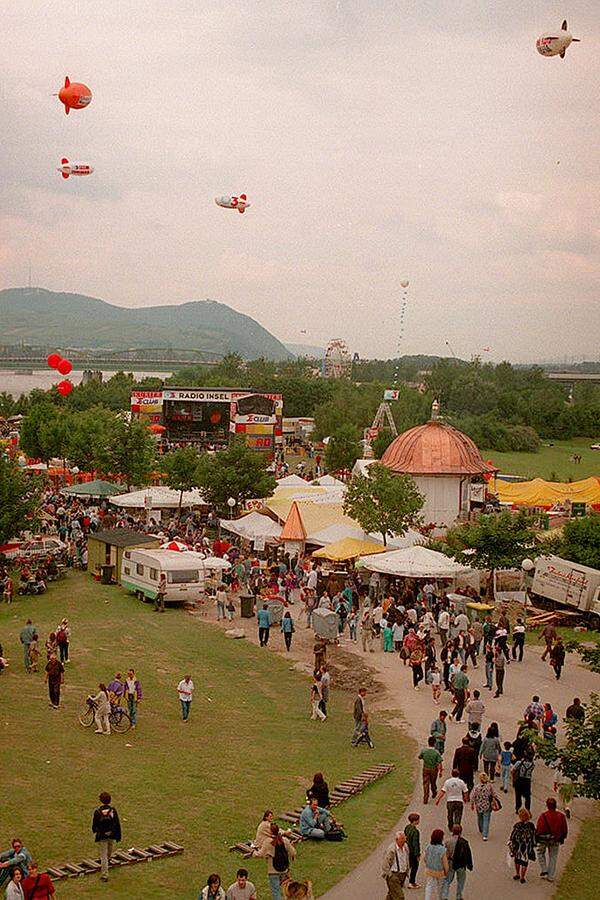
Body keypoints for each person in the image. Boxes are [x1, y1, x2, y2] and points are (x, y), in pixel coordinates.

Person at [253, 822, 296, 900]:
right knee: (286, 891)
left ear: (270, 831)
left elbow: (260, 854)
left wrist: (253, 853)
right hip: (284, 869)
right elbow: (293, 852)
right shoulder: (285, 840)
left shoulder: (268, 842)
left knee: (276, 891)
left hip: (273, 870)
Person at [535, 797, 568, 883]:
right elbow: (564, 829)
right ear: (555, 805)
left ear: (547, 806)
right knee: (553, 856)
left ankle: (544, 870)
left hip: (543, 839)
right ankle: (551, 876)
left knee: (540, 853)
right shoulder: (561, 816)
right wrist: (563, 837)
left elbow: (539, 828)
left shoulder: (543, 816)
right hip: (555, 839)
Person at [92, 791, 122, 882]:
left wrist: (97, 831)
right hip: (111, 833)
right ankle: (108, 860)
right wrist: (117, 834)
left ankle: (105, 875)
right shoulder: (113, 810)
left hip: (102, 835)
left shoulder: (97, 812)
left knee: (103, 855)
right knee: (109, 848)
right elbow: (116, 823)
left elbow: (95, 825)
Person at [441, 824, 472, 900]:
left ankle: (445, 896)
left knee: (447, 880)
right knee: (461, 880)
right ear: (460, 832)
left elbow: (445, 853)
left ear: (452, 832)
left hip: (450, 863)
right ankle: (459, 896)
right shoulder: (464, 842)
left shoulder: (448, 842)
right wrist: (469, 865)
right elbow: (468, 854)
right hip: (461, 864)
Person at [508, 808, 536, 884]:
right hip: (527, 847)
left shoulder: (517, 825)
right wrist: (534, 844)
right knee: (525, 862)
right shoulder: (531, 825)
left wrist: (511, 842)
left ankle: (517, 874)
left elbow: (513, 835)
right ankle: (522, 877)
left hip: (518, 846)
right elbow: (534, 835)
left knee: (517, 860)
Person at [470, 772, 499, 841]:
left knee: (479, 817)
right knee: (486, 819)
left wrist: (472, 804)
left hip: (479, 805)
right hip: (487, 805)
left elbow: (472, 796)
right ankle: (485, 835)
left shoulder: (477, 787)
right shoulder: (489, 786)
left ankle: (481, 829)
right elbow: (494, 794)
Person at [381, 831, 409, 899]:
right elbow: (385, 864)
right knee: (400, 897)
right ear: (396, 840)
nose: (404, 840)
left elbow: (406, 859)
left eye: (404, 838)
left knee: (391, 895)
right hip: (393, 876)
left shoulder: (406, 847)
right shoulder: (391, 850)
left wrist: (406, 871)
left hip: (402, 875)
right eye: (402, 839)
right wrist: (390, 875)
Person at [423, 829, 448, 900]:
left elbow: (424, 858)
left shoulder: (428, 846)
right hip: (439, 871)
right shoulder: (442, 849)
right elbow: (445, 862)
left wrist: (428, 864)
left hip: (430, 870)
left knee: (429, 886)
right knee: (440, 887)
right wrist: (446, 871)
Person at [419, 737, 443, 804]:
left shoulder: (424, 751)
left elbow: (420, 757)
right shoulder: (436, 752)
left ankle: (425, 797)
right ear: (435, 743)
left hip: (426, 769)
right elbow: (439, 762)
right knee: (433, 782)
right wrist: (441, 771)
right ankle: (434, 791)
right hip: (433, 769)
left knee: (425, 783)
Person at [404, 813, 421, 890]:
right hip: (413, 852)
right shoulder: (415, 831)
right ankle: (412, 882)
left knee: (407, 866)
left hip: (407, 849)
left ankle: (401, 881)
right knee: (414, 867)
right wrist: (417, 854)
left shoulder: (407, 827)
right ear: (414, 821)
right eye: (418, 820)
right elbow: (415, 843)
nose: (418, 821)